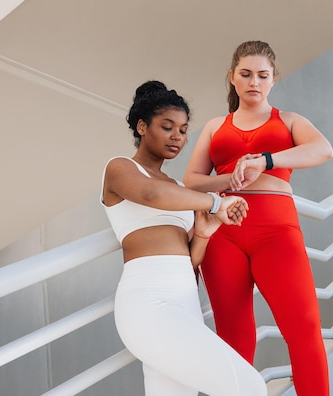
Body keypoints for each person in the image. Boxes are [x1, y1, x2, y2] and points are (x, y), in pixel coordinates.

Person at [183, 40, 333, 395]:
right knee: (233, 334)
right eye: (246, 74)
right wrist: (232, 176)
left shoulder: (290, 120)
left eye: (262, 76)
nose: (254, 82)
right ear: (232, 78)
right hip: (222, 230)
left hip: (276, 230)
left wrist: (265, 161)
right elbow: (191, 180)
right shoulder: (214, 125)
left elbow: (323, 150)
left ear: (273, 79)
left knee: (303, 326)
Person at [101, 80, 267, 396]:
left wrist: (204, 232)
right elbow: (150, 194)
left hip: (185, 302)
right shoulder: (120, 168)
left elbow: (189, 262)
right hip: (148, 302)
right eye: (167, 127)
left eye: (183, 129)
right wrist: (216, 202)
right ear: (141, 126)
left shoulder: (177, 186)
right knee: (250, 388)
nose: (178, 136)